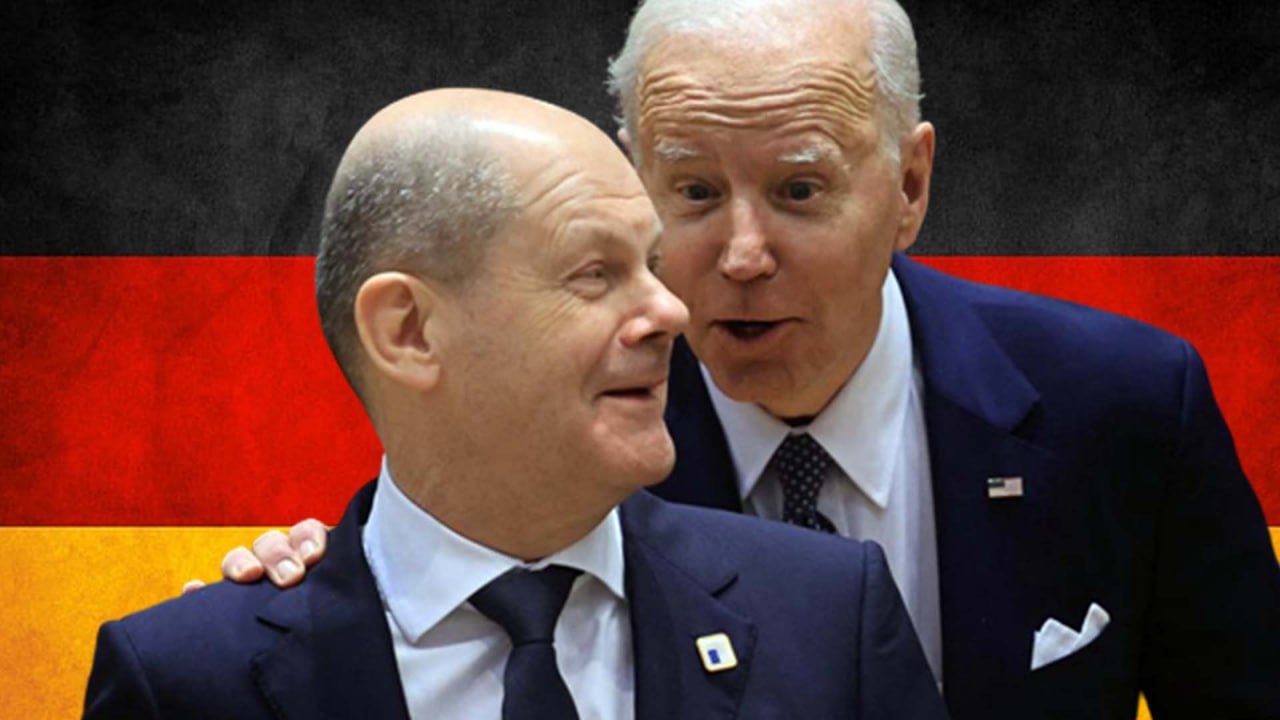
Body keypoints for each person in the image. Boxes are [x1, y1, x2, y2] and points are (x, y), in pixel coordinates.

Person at [223, 1, 1280, 718]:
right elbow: (438, 568)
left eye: (798, 191)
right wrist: (322, 588)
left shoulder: (1124, 404)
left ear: (909, 186)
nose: (738, 255)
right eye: (690, 192)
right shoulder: (567, 425)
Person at [85, 88, 946, 719]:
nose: (670, 312)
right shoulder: (189, 682)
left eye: (651, 265)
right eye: (596, 274)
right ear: (409, 331)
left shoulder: (829, 616)